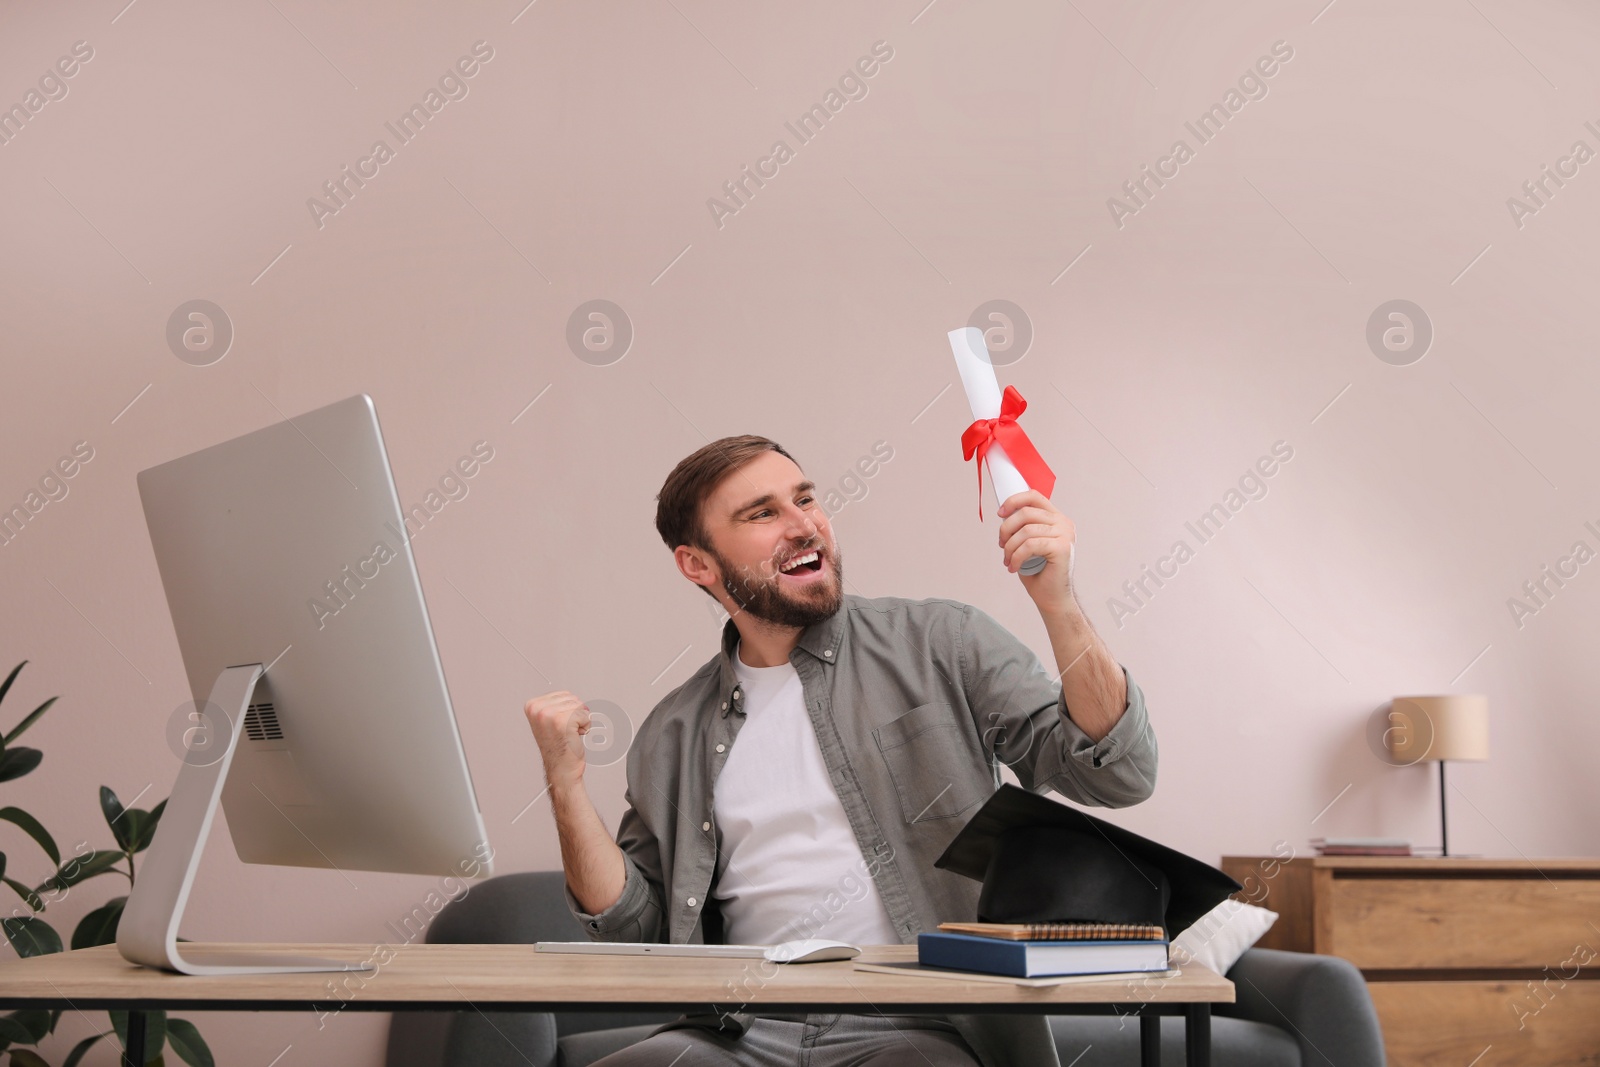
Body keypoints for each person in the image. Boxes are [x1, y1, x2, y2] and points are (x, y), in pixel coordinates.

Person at [525, 435, 1158, 1067]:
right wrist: (565, 784)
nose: (805, 525)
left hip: (920, 1028)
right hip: (737, 1033)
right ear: (697, 564)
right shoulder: (673, 732)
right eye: (763, 513)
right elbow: (632, 931)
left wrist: (1059, 602)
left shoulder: (943, 642)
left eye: (805, 499)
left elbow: (1116, 775)